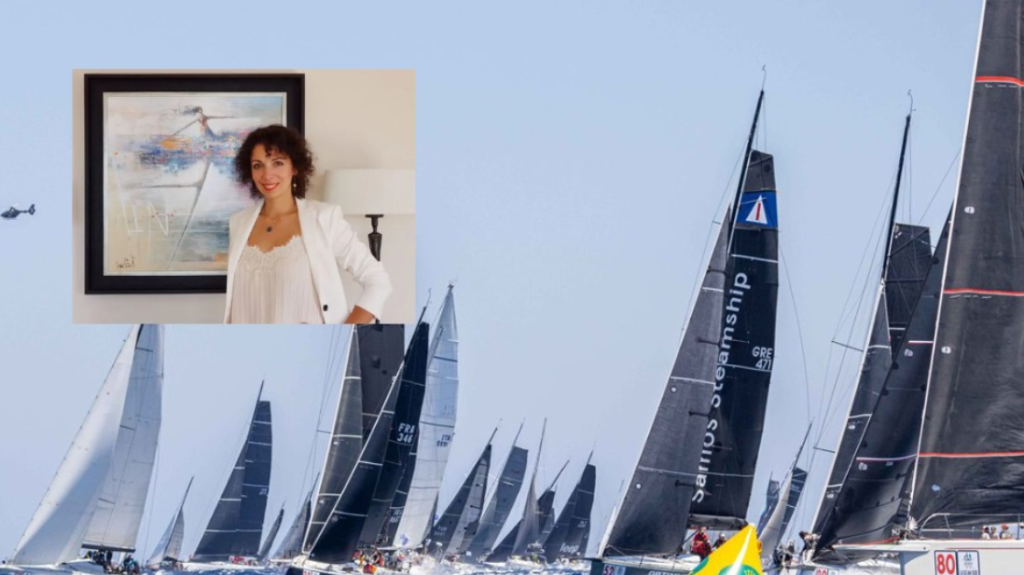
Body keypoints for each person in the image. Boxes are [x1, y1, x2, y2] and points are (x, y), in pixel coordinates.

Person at [224, 125, 392, 324]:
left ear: (294, 167)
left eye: (278, 163)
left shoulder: (324, 218)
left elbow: (377, 281)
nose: (267, 174)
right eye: (258, 165)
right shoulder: (239, 223)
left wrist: (346, 332)